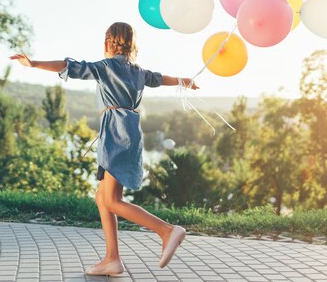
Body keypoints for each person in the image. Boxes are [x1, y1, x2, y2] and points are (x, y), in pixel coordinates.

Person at [10, 21, 199, 276]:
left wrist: (33, 64)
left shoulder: (106, 66)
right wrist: (183, 81)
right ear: (131, 44)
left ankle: (167, 230)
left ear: (109, 42)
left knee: (111, 199)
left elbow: (70, 66)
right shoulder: (138, 71)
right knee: (103, 198)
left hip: (116, 130)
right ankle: (112, 259)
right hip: (131, 129)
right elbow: (160, 79)